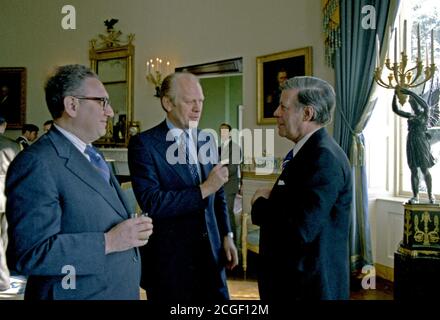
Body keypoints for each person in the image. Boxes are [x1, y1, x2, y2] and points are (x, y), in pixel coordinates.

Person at [5, 64, 153, 300]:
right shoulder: (36, 163)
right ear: (72, 105)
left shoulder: (93, 154)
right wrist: (109, 241)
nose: (111, 112)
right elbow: (30, 253)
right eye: (102, 102)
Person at [128, 72, 238, 302]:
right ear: (167, 103)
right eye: (190, 101)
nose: (198, 108)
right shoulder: (144, 145)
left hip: (212, 255)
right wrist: (204, 189)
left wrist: (227, 235)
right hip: (171, 263)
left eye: (201, 101)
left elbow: (218, 194)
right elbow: (153, 203)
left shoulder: (207, 139)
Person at [251, 76, 352, 300]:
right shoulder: (310, 152)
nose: (276, 112)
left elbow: (299, 229)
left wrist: (259, 203)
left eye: (283, 107)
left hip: (307, 289)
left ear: (307, 114)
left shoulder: (323, 158)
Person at [392, 87, 436, 204]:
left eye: (414, 102)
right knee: (413, 170)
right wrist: (394, 95)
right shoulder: (410, 116)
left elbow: (426, 105)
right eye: (411, 103)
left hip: (421, 142)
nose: (412, 104)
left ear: (418, 103)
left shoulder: (425, 114)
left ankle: (430, 194)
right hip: (411, 142)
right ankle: (415, 196)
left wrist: (411, 93)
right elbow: (395, 110)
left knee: (424, 168)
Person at [0, 117, 21, 291]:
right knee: (5, 237)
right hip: (7, 195)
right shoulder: (13, 145)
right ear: (4, 126)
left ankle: (2, 278)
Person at [218, 123, 242, 260]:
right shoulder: (220, 148)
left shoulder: (235, 148)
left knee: (228, 213)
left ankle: (235, 248)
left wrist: (218, 173)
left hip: (230, 185)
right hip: (221, 184)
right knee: (222, 212)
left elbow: (232, 168)